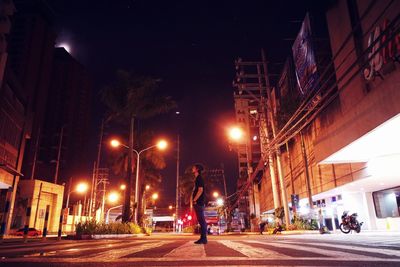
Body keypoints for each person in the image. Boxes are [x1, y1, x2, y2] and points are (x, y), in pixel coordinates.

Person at [192, 163, 207, 244]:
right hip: (199, 202)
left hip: (199, 202)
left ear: (197, 169)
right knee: (201, 221)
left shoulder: (199, 178)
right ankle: (203, 238)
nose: (192, 168)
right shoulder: (198, 178)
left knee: (202, 221)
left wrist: (195, 200)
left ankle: (203, 239)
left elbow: (200, 190)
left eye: (194, 167)